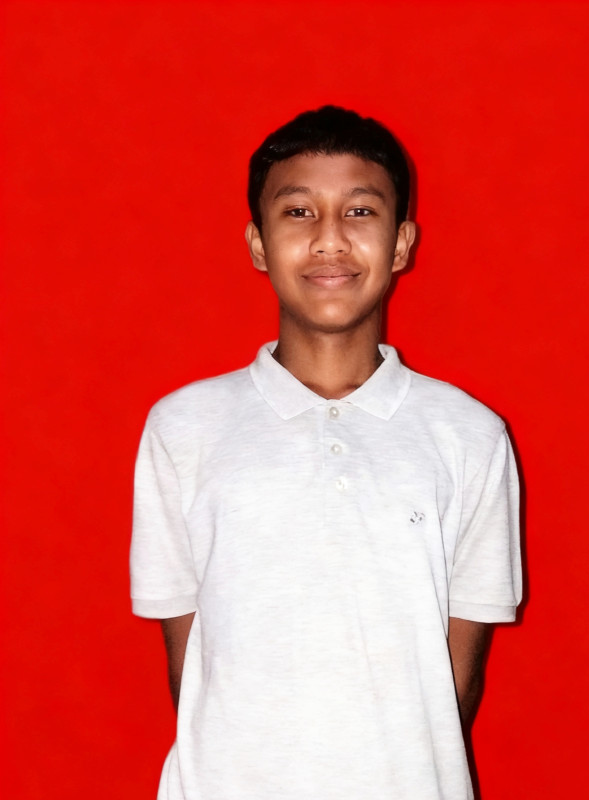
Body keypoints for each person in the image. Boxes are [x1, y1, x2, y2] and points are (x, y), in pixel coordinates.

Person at [130, 106, 522, 800]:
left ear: (401, 243)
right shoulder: (182, 428)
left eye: (361, 211)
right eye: (299, 212)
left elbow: (455, 682)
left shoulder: (471, 436)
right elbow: (191, 665)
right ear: (258, 243)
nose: (330, 239)